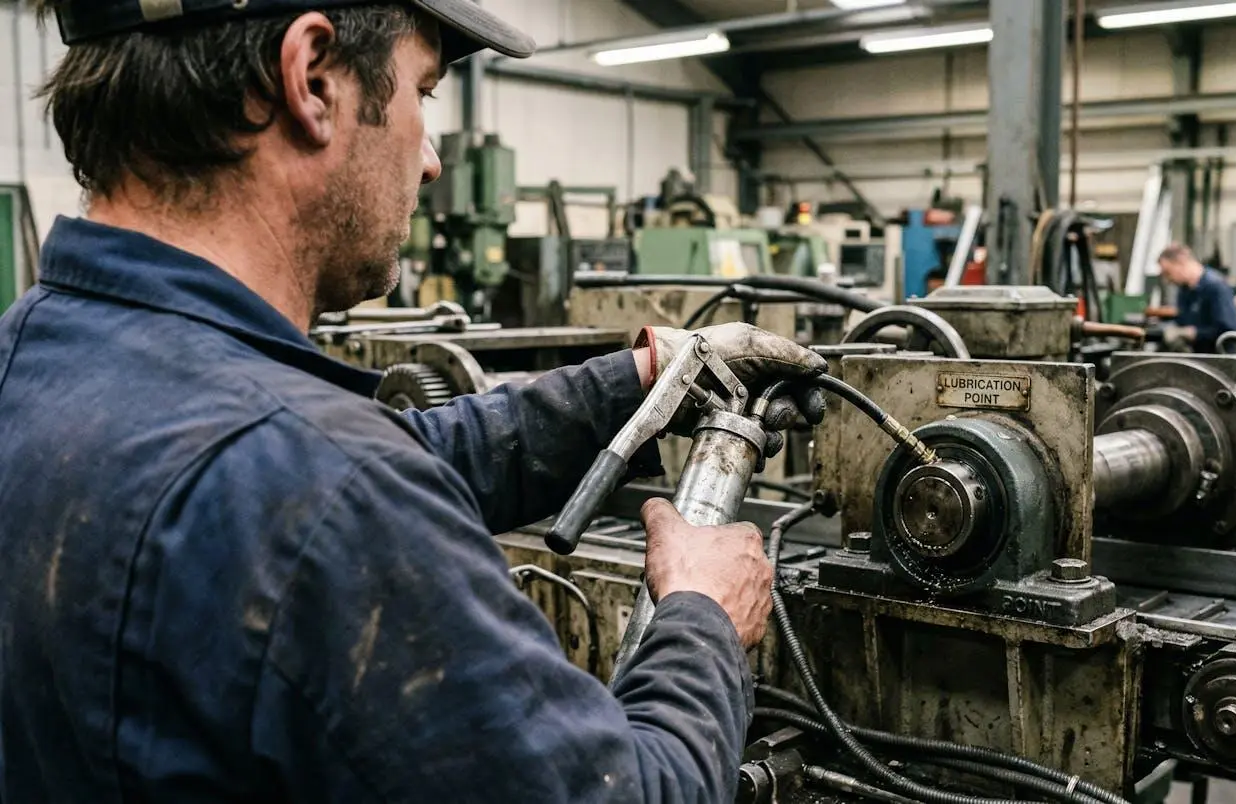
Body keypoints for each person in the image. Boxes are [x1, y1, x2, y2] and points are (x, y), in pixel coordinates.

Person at [0, 2, 828, 802]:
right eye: (422, 92)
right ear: (312, 79)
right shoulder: (324, 494)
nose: (430, 160)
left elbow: (364, 466)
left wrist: (639, 379)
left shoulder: (34, 360)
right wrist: (704, 617)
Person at [1156, 243, 1236, 353]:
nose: (1167, 280)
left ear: (1181, 262)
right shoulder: (1185, 290)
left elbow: (1229, 331)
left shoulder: (1216, 287)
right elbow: (1183, 321)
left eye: (1168, 273)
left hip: (1219, 357)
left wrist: (1193, 333)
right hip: (1198, 356)